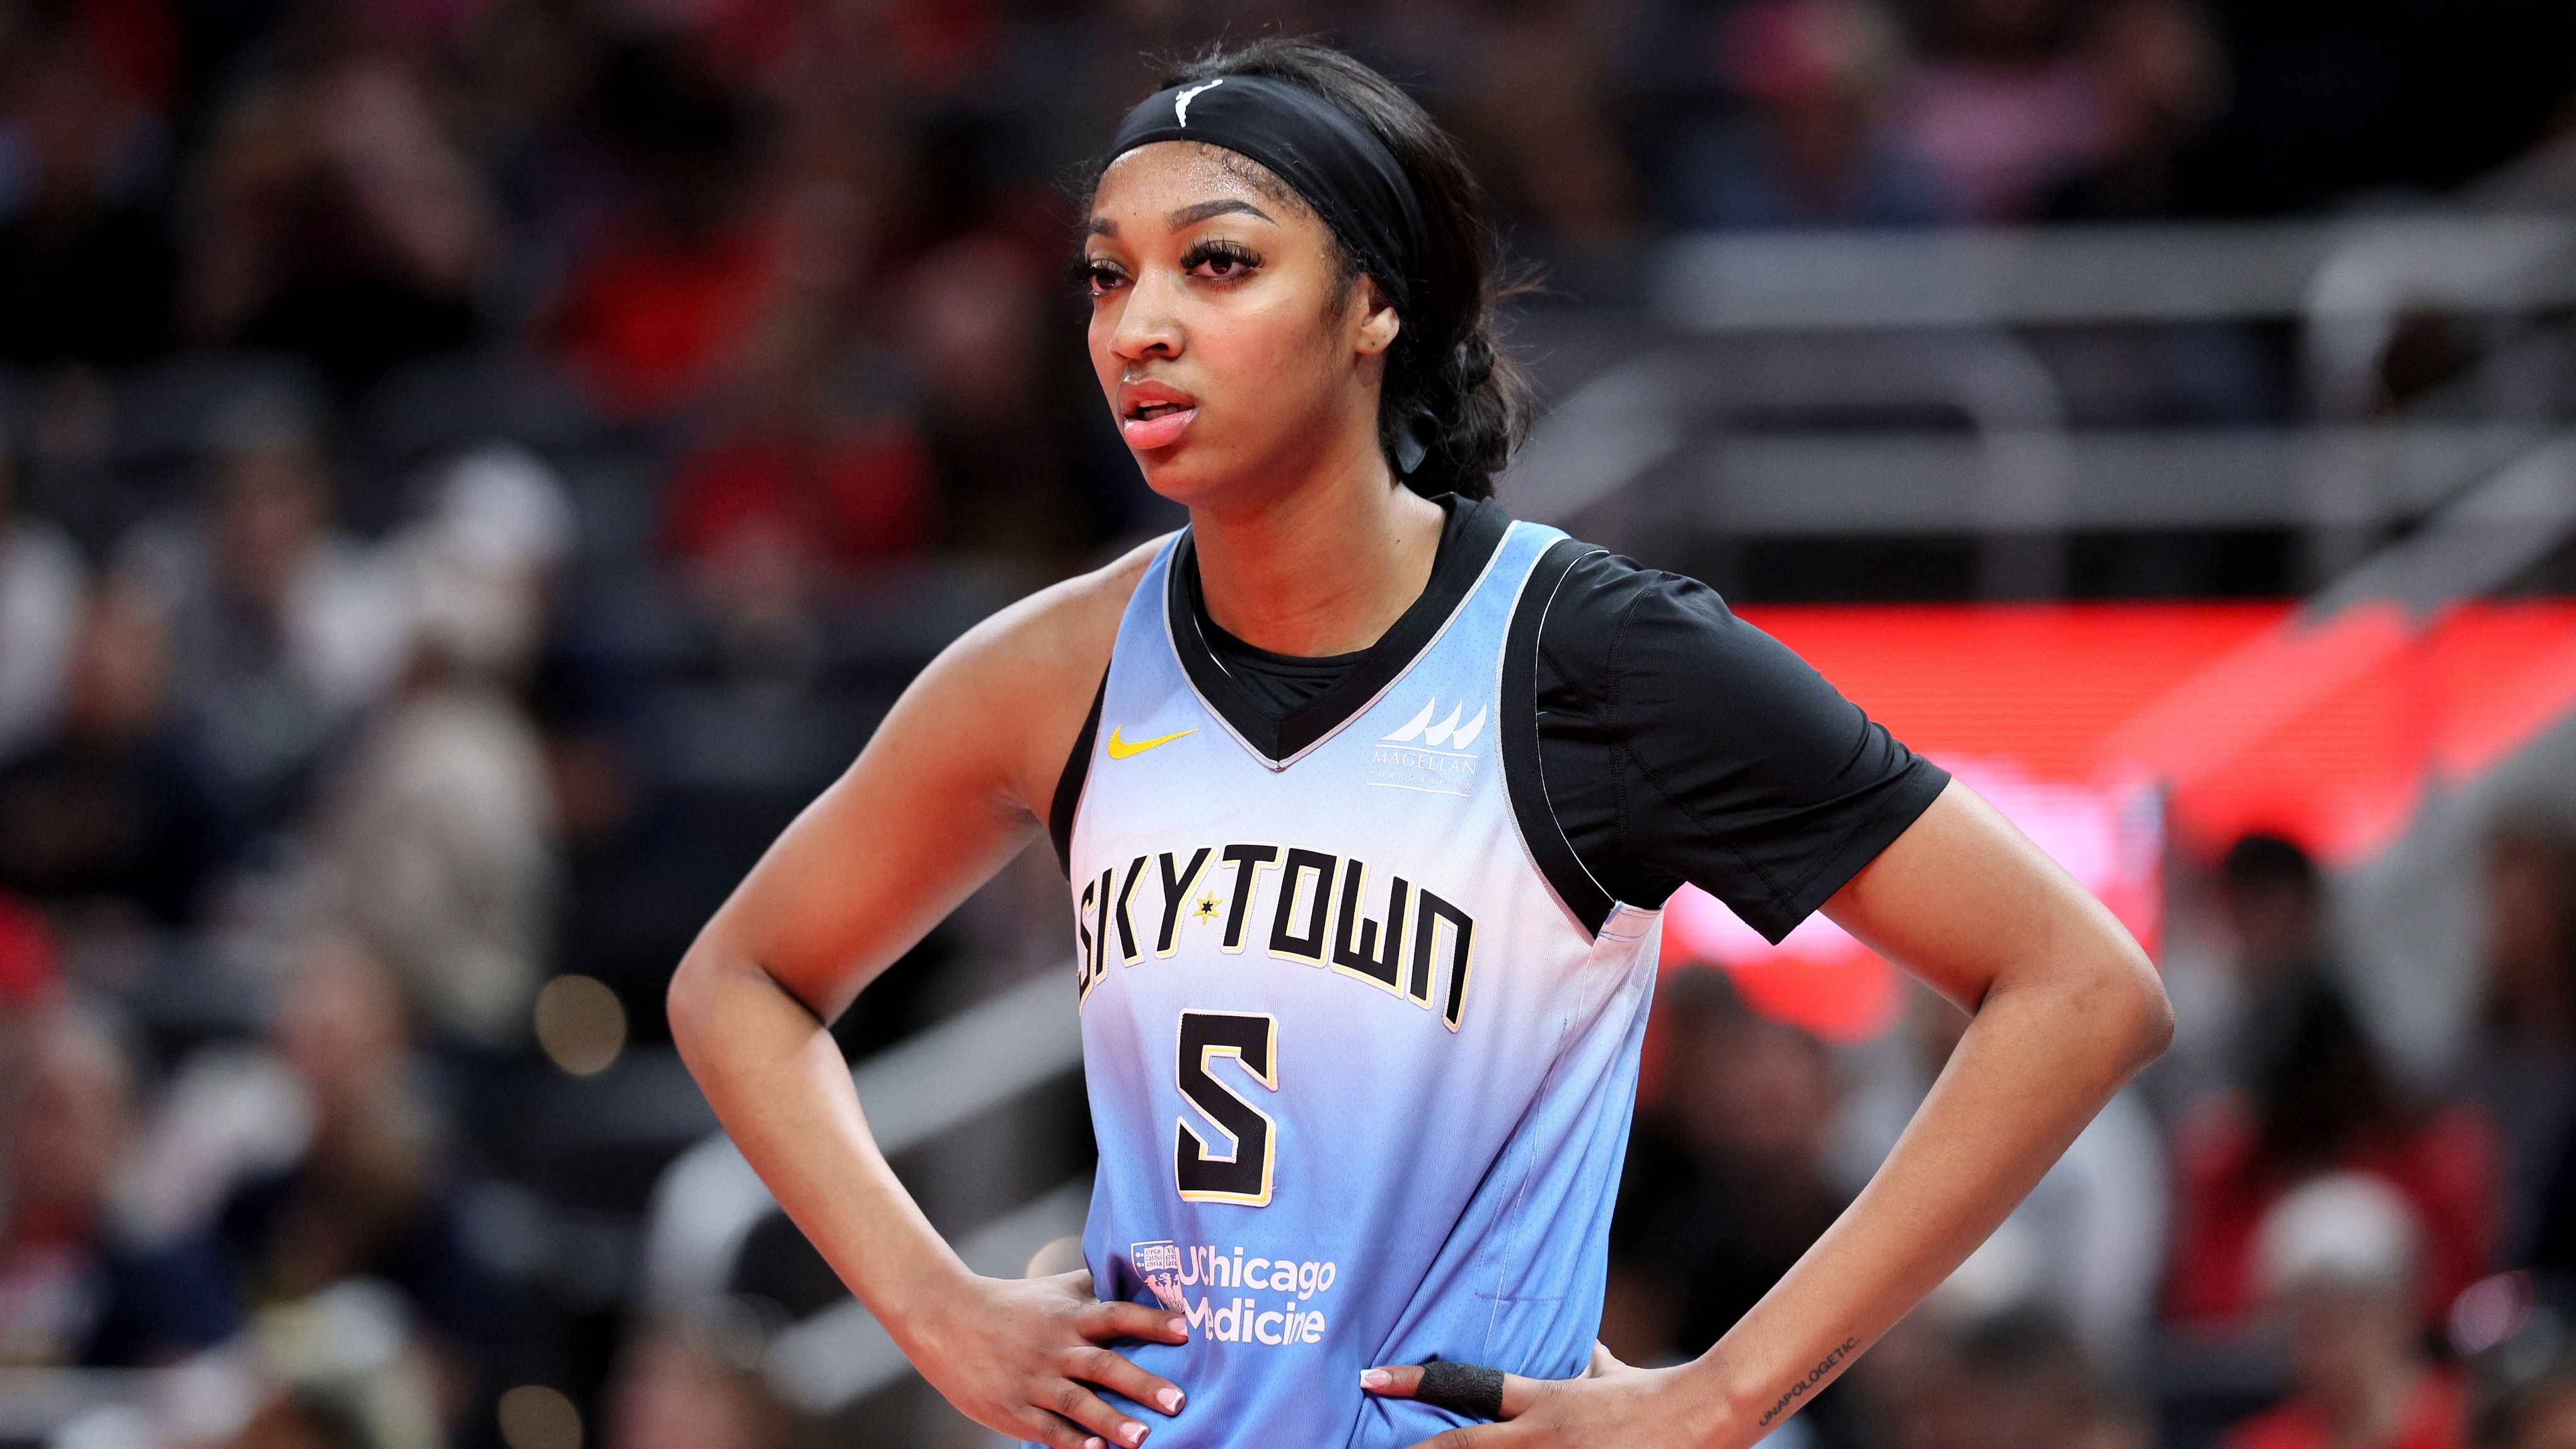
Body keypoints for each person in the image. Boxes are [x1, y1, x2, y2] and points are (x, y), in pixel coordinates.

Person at [666, 37, 2170, 1449]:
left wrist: (1725, 1395)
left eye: (1217, 263)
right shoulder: (1055, 666)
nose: (1139, 326)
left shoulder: (1590, 651)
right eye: (1108, 276)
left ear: (1373, 304)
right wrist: (936, 1308)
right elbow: (741, 978)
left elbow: (2080, 985)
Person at [2220, 1174, 2466, 1449]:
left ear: (2401, 1310)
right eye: (2305, 1325)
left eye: (2342, 1320)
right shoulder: (2263, 1442)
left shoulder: (2470, 1426)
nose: (2323, 1348)